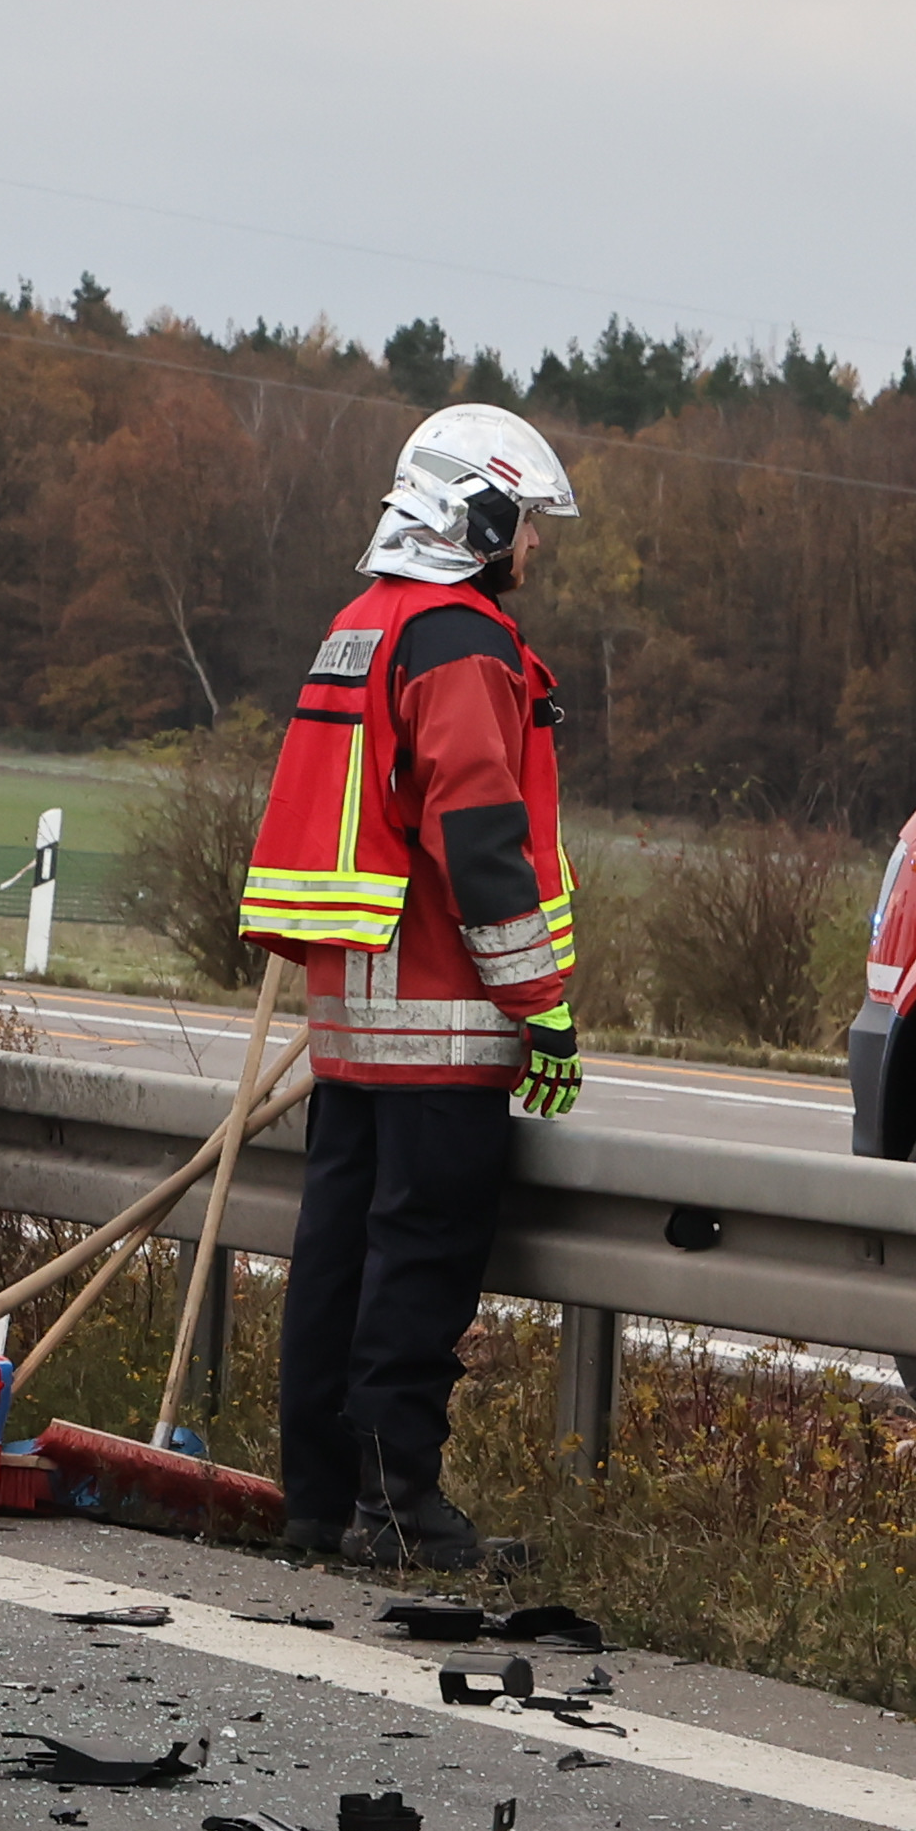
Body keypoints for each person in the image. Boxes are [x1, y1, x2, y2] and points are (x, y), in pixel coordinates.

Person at [234, 402, 586, 1570]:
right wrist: (545, 1011)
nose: (532, 547)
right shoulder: (464, 640)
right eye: (525, 523)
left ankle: (319, 1503)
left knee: (335, 1258)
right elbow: (481, 842)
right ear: (476, 519)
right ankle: (400, 1506)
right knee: (420, 1266)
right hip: (442, 1015)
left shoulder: (361, 624)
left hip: (352, 1022)